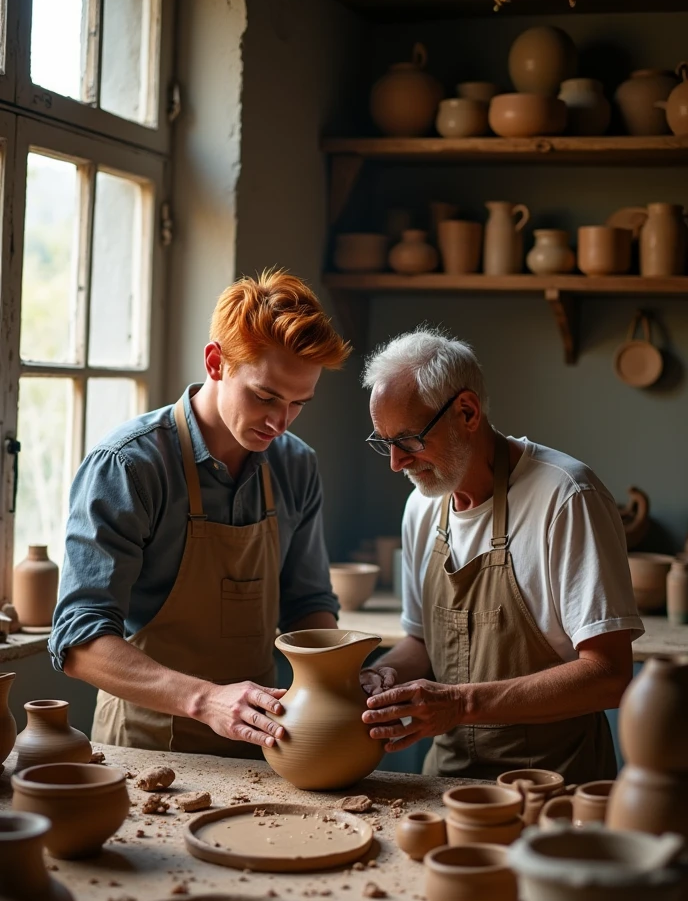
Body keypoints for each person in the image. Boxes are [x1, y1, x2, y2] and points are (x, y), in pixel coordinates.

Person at [49, 270, 356, 758]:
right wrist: (206, 700)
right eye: (265, 396)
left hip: (262, 741)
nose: (280, 422)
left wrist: (337, 683)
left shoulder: (295, 464)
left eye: (299, 404)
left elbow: (307, 604)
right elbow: (79, 640)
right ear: (217, 362)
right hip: (145, 746)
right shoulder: (128, 466)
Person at [359, 328, 643, 782]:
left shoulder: (565, 497)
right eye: (383, 442)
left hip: (554, 788)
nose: (396, 463)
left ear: (467, 412)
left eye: (408, 440)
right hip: (447, 782)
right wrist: (382, 677)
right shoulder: (422, 505)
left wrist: (460, 705)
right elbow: (421, 642)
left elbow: (609, 675)